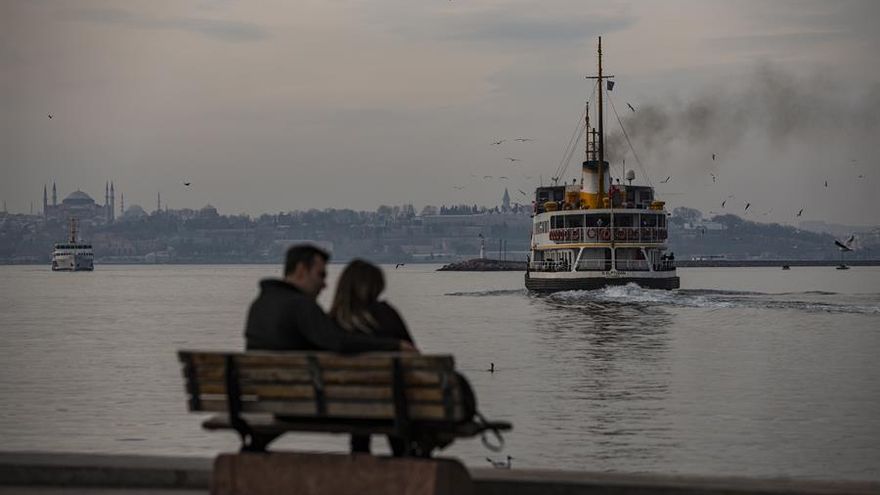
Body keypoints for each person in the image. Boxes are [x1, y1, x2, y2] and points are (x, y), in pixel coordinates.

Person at [244, 244, 411, 353]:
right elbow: (338, 342)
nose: (324, 284)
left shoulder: (258, 306)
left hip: (271, 395)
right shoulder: (301, 306)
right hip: (304, 399)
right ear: (301, 270)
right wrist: (395, 345)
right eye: (321, 275)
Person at [329, 259, 416, 455]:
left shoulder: (331, 322)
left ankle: (360, 464)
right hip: (392, 407)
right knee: (394, 398)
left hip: (345, 408)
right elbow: (415, 357)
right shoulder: (385, 315)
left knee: (364, 408)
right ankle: (405, 459)